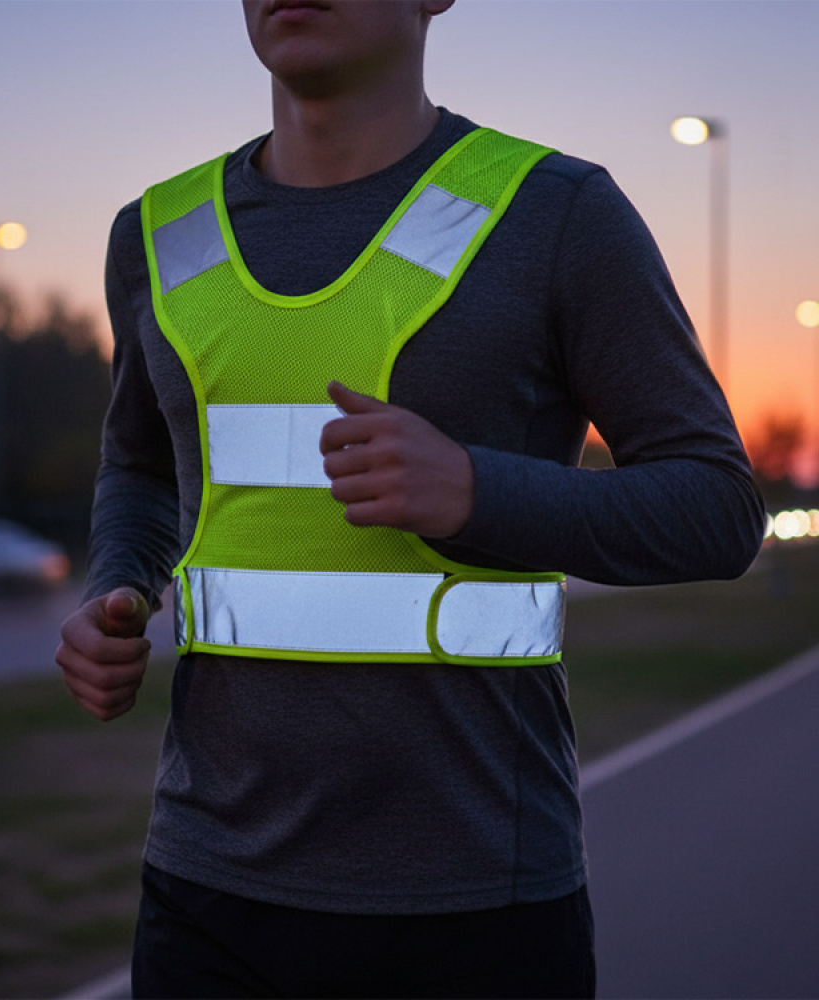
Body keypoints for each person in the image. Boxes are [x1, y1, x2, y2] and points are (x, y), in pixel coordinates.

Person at [56, 1, 764, 996]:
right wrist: (115, 586)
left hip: (474, 906)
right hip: (203, 893)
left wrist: (478, 489)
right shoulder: (155, 235)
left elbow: (718, 508)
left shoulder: (556, 211)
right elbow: (138, 463)